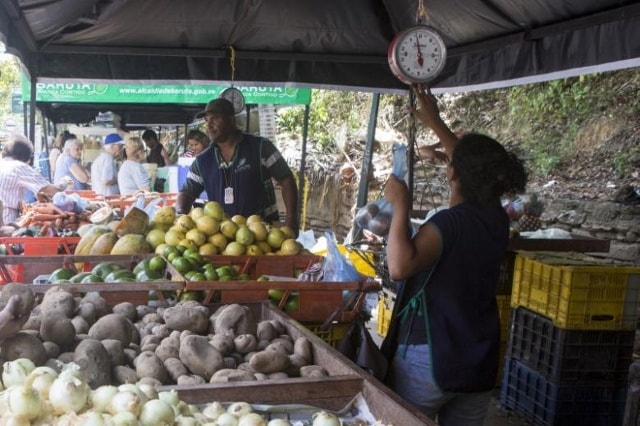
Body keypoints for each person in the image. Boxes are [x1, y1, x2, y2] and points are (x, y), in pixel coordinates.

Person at [380, 84, 527, 426]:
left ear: (452, 174)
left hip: (430, 358)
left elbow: (399, 267)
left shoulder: (449, 223)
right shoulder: (496, 217)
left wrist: (401, 205)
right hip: (478, 358)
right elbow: (474, 164)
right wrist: (435, 121)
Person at [176, 98, 299, 235]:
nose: (209, 125)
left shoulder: (260, 147)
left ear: (230, 119)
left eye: (215, 119)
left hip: (263, 234)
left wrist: (291, 219)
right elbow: (187, 192)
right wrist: (180, 214)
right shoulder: (203, 160)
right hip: (223, 238)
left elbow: (286, 179)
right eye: (207, 120)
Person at [0, 135, 66, 225]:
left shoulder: (2, 163)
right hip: (7, 217)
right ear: (25, 155)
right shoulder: (19, 166)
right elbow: (49, 189)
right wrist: (64, 184)